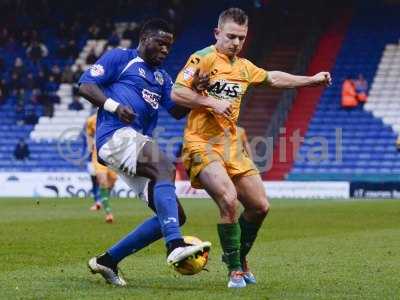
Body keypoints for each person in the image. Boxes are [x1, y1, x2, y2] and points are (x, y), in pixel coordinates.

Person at [171, 7, 331, 288]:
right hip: (200, 142)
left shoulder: (243, 67)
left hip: (231, 145)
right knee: (229, 199)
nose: (236, 42)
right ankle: (235, 269)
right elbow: (177, 92)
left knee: (259, 206)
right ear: (217, 33)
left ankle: (238, 257)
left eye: (241, 38)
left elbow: (273, 78)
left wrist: (311, 80)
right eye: (231, 36)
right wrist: (210, 102)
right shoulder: (203, 58)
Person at [78, 18, 210, 286]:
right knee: (164, 168)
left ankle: (108, 261)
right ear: (144, 39)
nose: (165, 50)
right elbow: (85, 85)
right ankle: (175, 245)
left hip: (135, 141)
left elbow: (175, 111)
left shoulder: (162, 77)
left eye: (169, 47)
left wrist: (195, 91)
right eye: (160, 44)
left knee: (175, 214)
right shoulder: (121, 58)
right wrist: (115, 107)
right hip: (114, 135)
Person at [86, 112, 117, 222]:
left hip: (114, 154)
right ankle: (108, 213)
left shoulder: (115, 116)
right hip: (98, 153)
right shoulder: (91, 120)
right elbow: (89, 134)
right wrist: (90, 147)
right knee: (102, 181)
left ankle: (101, 199)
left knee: (112, 180)